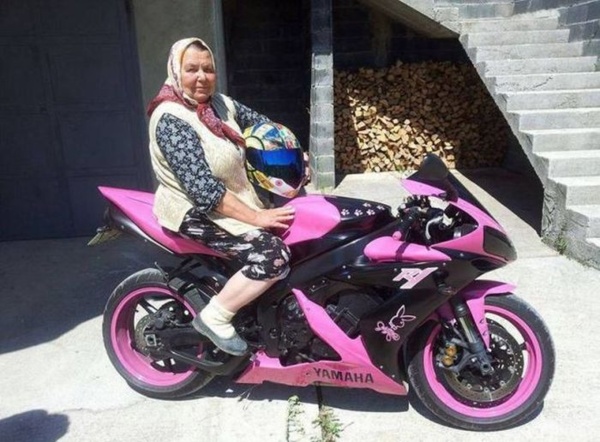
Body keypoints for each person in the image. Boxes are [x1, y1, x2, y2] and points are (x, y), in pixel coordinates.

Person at [147, 37, 296, 356]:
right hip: (194, 209)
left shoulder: (221, 105)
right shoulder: (171, 118)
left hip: (237, 199)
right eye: (191, 69)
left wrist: (296, 156)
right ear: (175, 71)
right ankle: (215, 316)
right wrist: (257, 217)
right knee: (272, 256)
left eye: (208, 69)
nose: (202, 77)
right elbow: (204, 192)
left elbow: (267, 129)